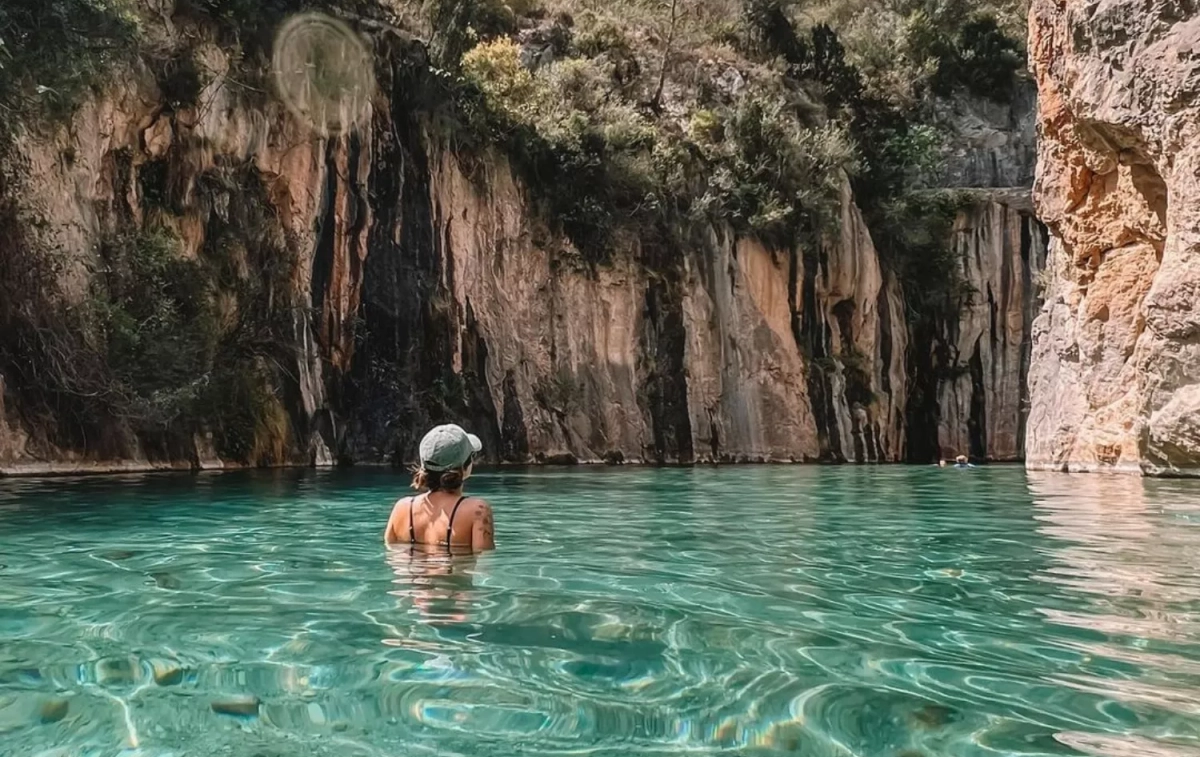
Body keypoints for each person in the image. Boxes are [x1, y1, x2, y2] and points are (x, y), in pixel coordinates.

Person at [384, 424, 495, 552]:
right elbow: (484, 563)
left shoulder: (401, 508)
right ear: (464, 466)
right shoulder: (478, 510)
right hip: (455, 571)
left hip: (412, 571)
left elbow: (392, 556)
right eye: (472, 456)